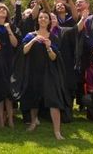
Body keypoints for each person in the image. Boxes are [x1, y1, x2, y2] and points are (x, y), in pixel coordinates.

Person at [11, 11, 72, 140]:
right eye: (41, 18)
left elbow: (54, 57)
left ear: (49, 21)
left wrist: (49, 47)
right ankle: (33, 122)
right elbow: (23, 51)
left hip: (49, 72)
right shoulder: (30, 35)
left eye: (46, 18)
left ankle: (57, 131)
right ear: (37, 20)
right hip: (33, 71)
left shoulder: (53, 37)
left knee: (54, 100)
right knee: (34, 98)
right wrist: (33, 40)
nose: (43, 19)